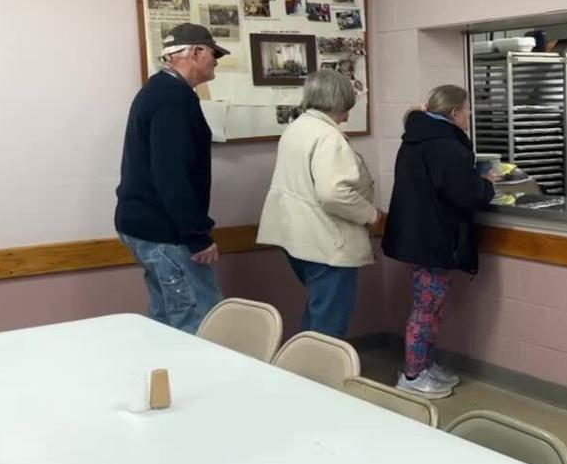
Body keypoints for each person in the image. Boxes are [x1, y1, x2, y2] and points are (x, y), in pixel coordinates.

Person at [382, 85, 497, 399]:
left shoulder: (418, 138)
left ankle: (424, 365)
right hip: (434, 239)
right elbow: (466, 193)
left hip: (417, 235)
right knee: (426, 309)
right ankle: (414, 374)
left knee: (430, 306)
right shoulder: (445, 145)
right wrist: (486, 185)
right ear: (454, 112)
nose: (470, 115)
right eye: (467, 108)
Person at [115, 23, 229, 334]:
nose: (216, 60)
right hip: (166, 232)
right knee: (201, 322)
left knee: (166, 320)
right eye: (213, 53)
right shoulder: (174, 98)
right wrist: (197, 235)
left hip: (142, 224)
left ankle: (161, 381)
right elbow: (171, 173)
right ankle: (198, 382)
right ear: (194, 52)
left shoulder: (157, 90)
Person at [257, 70, 382, 338]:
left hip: (297, 238)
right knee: (330, 323)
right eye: (349, 102)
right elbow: (333, 193)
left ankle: (301, 373)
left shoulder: (297, 128)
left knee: (318, 313)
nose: (350, 109)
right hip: (327, 244)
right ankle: (321, 377)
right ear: (340, 101)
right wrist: (372, 216)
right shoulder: (328, 137)